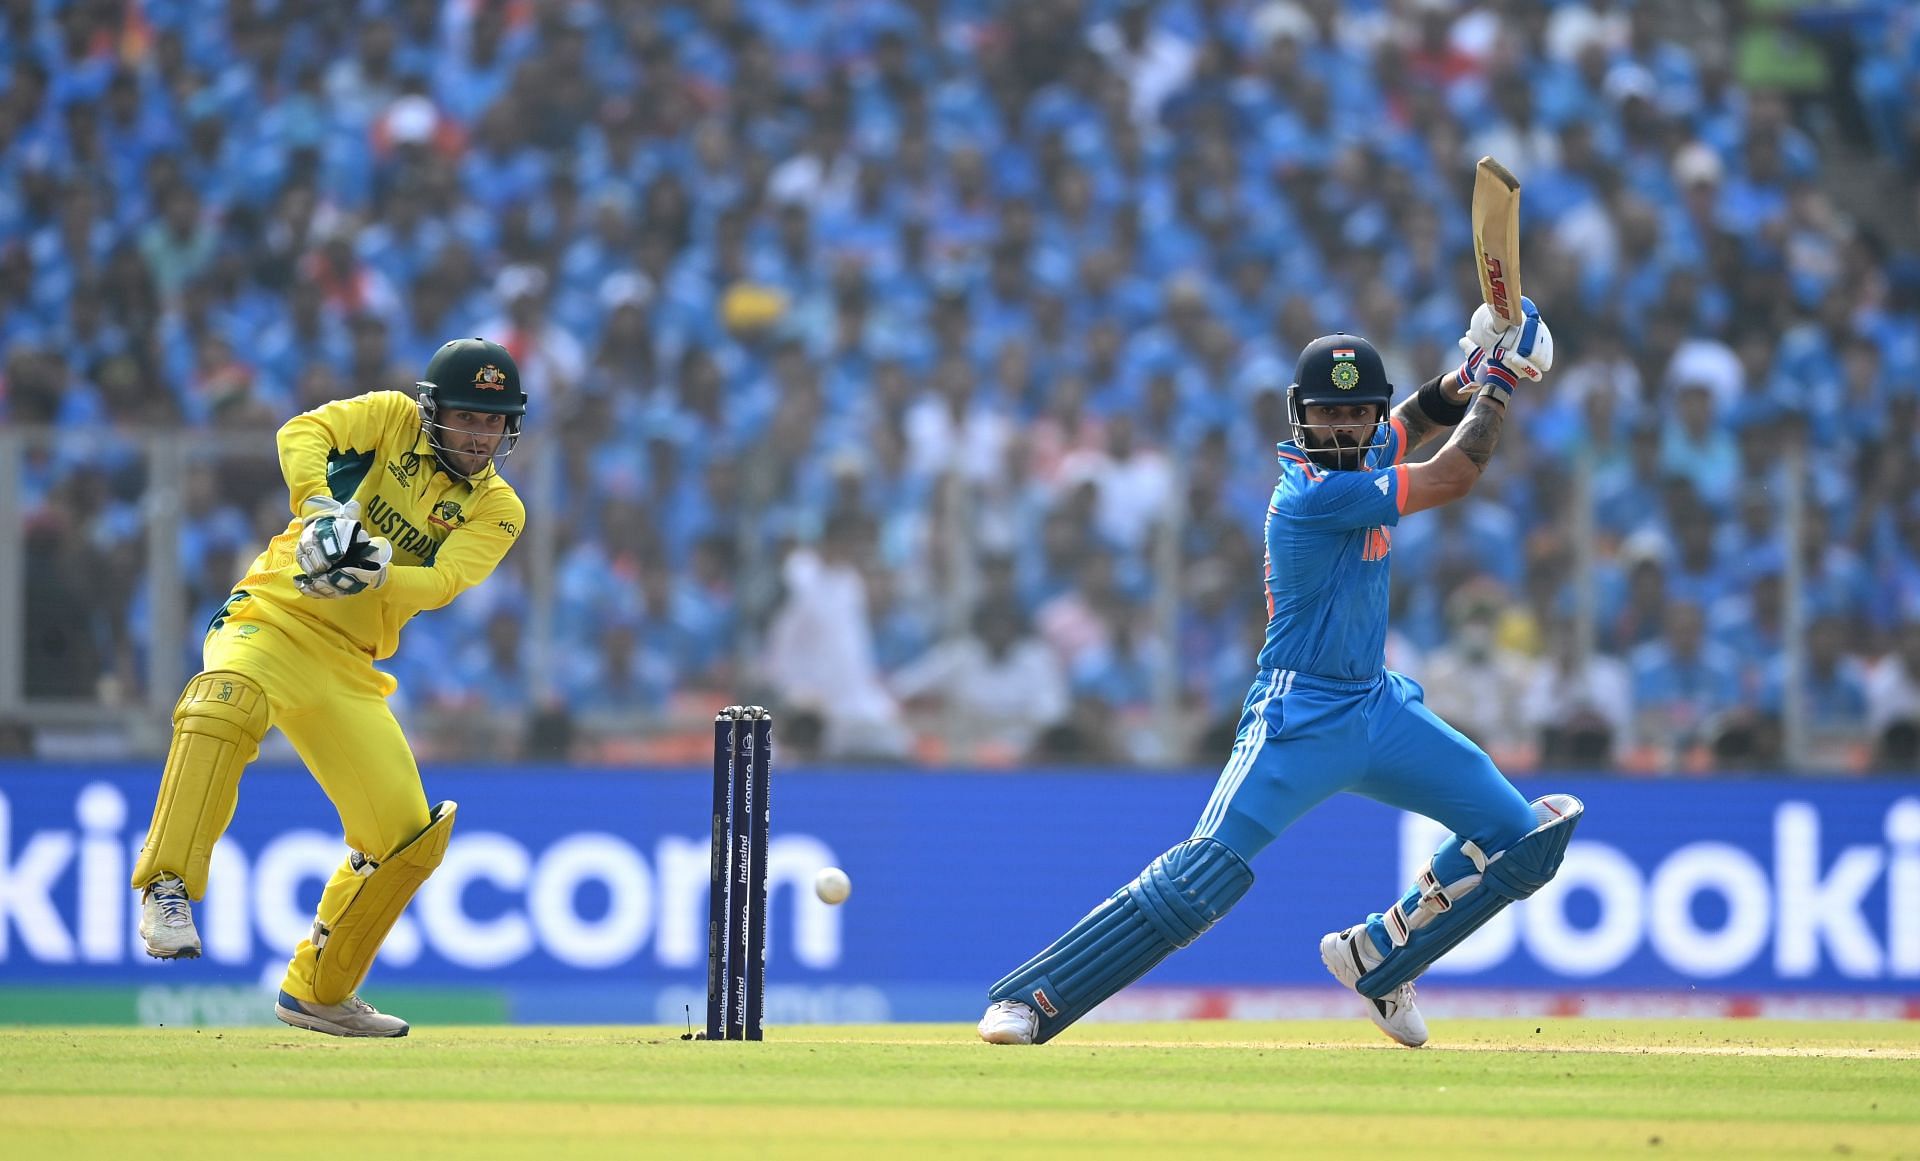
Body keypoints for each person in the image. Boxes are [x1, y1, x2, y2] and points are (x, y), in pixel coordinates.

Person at [978, 303, 1584, 1049]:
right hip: (1299, 716)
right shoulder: (1311, 493)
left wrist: (1467, 371)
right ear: (1301, 419)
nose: (1344, 429)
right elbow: (1454, 472)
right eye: (1328, 416)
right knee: (1202, 877)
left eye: (1357, 415)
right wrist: (1502, 377)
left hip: (1378, 705)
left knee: (1519, 836)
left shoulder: (1363, 452)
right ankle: (1031, 998)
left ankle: (1378, 954)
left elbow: (1417, 417)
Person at [129, 338, 529, 1038]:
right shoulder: (390, 417)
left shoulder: (500, 508)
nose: (481, 435)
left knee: (405, 834)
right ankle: (168, 886)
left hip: (350, 661)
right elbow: (301, 431)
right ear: (435, 412)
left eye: (496, 423)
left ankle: (317, 990)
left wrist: (373, 570)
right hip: (274, 617)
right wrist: (321, 511)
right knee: (226, 700)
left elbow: (442, 581)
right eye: (469, 417)